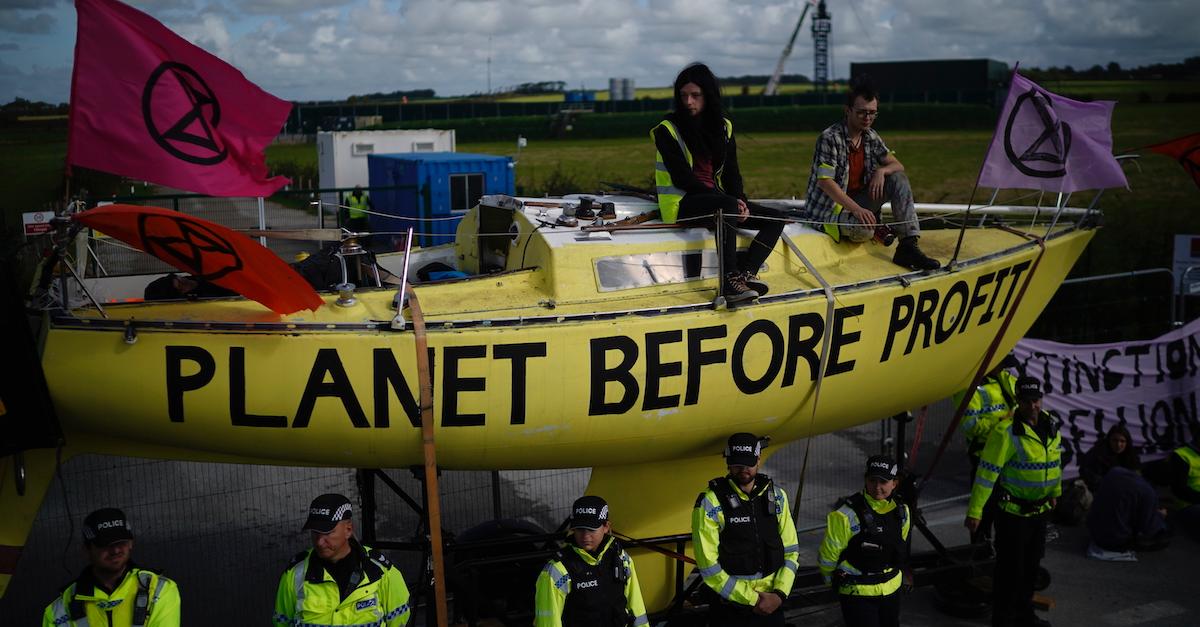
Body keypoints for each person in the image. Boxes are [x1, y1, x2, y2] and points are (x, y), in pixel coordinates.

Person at [652, 63, 786, 304]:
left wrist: (740, 201)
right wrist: (731, 203)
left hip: (717, 200)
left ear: (708, 96)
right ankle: (729, 282)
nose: (689, 102)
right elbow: (684, 179)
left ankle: (746, 274)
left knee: (776, 218)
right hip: (681, 203)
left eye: (695, 96)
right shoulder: (667, 129)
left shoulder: (724, 127)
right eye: (683, 96)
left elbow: (732, 173)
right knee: (726, 206)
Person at [803, 78, 940, 271]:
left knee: (897, 178)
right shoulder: (829, 138)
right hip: (829, 211)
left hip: (859, 203)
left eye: (872, 113)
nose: (867, 118)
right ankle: (874, 227)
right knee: (864, 230)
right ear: (848, 110)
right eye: (861, 112)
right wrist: (857, 210)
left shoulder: (871, 136)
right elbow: (825, 182)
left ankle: (908, 245)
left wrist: (881, 171)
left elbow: (898, 166)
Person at [965, 376, 1062, 627]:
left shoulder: (1050, 424)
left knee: (1030, 569)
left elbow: (1053, 463)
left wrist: (1055, 492)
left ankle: (1025, 617)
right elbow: (986, 474)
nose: (1033, 406)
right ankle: (1004, 621)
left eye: (1037, 400)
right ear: (1018, 402)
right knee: (1010, 573)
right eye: (1027, 401)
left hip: (1038, 512)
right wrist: (975, 511)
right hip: (1013, 515)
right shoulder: (1005, 432)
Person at [692, 433, 799, 626]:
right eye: (737, 464)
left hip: (773, 604)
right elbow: (708, 566)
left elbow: (791, 551)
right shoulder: (711, 502)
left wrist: (779, 594)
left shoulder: (777, 496)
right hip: (731, 609)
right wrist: (753, 599)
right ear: (728, 463)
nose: (743, 469)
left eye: (748, 463)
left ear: (758, 459)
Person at [274, 493, 410, 626]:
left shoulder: (380, 572)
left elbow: (399, 620)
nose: (320, 542)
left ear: (348, 529)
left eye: (328, 532)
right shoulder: (295, 575)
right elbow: (281, 622)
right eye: (315, 532)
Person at [42, 508, 180, 627]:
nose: (115, 550)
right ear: (86, 550)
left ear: (131, 543)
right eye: (105, 544)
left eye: (121, 542)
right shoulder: (61, 608)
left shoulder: (159, 590)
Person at [818, 455, 912, 627]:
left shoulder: (903, 512)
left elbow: (899, 547)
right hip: (857, 593)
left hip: (891, 591)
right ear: (865, 480)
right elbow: (827, 557)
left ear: (894, 483)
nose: (877, 487)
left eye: (883, 482)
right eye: (872, 480)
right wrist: (832, 584)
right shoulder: (844, 515)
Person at [534, 495, 648, 627]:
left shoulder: (621, 558)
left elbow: (637, 608)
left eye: (591, 529)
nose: (585, 535)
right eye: (580, 529)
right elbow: (547, 623)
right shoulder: (557, 571)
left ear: (606, 526)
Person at [953, 354, 1019, 545]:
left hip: (1010, 456)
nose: (1004, 369)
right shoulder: (968, 388)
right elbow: (970, 426)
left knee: (1006, 516)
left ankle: (1002, 555)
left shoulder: (1005, 379)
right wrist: (1001, 422)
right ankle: (980, 558)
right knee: (982, 514)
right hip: (984, 456)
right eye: (1000, 365)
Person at [1085, 466, 1169, 558]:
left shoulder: (1115, 471)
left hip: (1093, 530)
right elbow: (1147, 527)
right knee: (1164, 533)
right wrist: (1160, 516)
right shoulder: (1148, 493)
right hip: (1112, 541)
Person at [1079, 424, 1141, 492]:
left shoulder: (1131, 455)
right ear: (1109, 440)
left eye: (1122, 441)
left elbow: (1135, 477)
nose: (1118, 445)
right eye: (1115, 440)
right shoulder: (1098, 453)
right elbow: (1089, 476)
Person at [143, 272, 236, 301]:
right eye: (180, 286)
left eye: (178, 278)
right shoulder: (208, 299)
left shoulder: (200, 271)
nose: (183, 281)